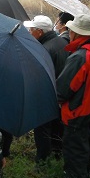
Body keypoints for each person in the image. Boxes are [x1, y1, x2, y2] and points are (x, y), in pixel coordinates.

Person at [56, 14, 90, 178]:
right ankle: (87, 175)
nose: (69, 33)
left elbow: (63, 89)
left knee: (75, 148)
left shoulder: (80, 57)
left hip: (78, 111)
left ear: (77, 33)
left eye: (71, 30)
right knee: (88, 144)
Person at [23, 15, 69, 165]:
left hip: (46, 93)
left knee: (42, 128)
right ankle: (58, 152)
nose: (29, 32)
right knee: (57, 125)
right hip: (60, 93)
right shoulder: (62, 42)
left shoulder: (44, 49)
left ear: (40, 32)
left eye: (31, 30)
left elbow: (38, 76)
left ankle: (42, 160)